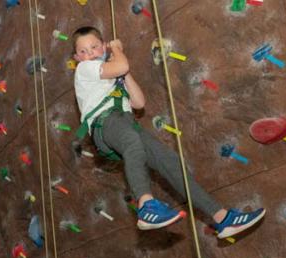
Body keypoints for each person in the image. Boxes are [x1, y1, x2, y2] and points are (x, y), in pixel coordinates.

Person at [72, 26, 266, 237]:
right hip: (105, 123)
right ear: (77, 58)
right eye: (83, 51)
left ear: (103, 46)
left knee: (170, 161)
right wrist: (117, 50)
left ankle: (222, 217)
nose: (89, 53)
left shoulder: (113, 74)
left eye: (94, 47)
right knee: (131, 142)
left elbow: (138, 102)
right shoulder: (85, 69)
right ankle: (146, 206)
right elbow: (121, 64)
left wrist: (124, 73)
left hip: (125, 123)